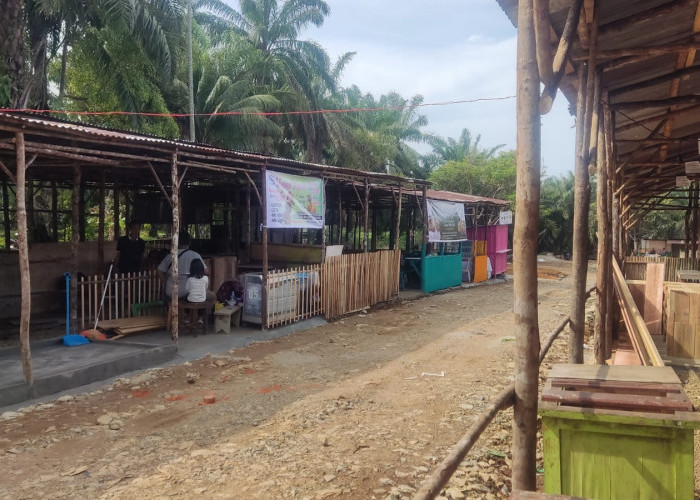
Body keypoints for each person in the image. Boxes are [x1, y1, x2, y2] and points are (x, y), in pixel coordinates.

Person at [157, 231, 214, 301]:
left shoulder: (170, 256)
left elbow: (159, 271)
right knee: (212, 296)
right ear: (190, 242)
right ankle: (206, 312)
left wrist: (166, 282)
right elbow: (207, 271)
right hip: (186, 293)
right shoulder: (194, 255)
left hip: (170, 292)